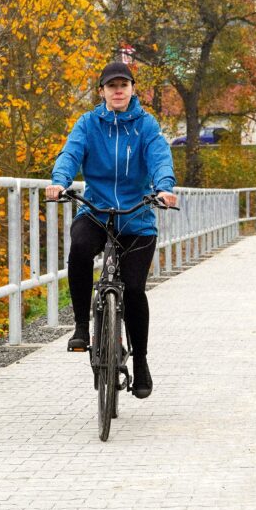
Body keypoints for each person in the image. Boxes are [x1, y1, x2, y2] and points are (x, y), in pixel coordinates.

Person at [46, 61, 178, 399]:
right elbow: (70, 154)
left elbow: (160, 157)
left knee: (134, 289)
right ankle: (79, 328)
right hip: (98, 211)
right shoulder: (88, 124)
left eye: (124, 85)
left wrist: (163, 187)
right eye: (111, 86)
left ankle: (142, 363)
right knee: (78, 247)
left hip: (136, 217)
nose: (118, 90)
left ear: (132, 89)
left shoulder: (146, 126)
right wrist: (60, 182)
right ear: (102, 91)